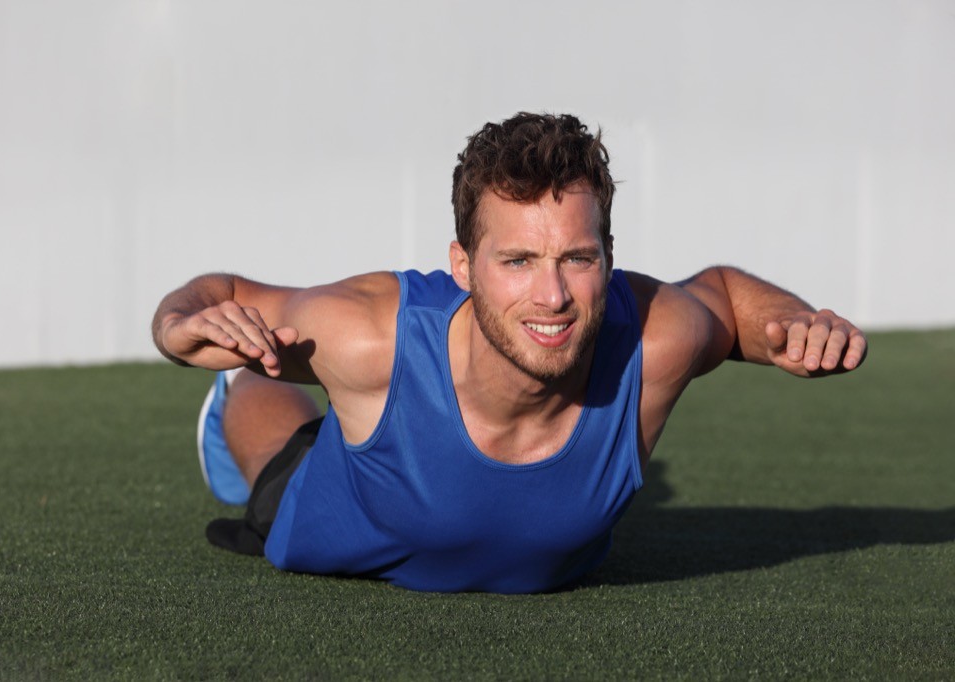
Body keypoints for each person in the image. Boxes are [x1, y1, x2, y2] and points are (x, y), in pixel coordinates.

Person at [152, 112, 867, 594]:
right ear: (463, 266)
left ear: (609, 256)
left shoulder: (654, 338)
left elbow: (725, 295)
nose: (552, 296)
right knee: (270, 417)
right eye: (518, 260)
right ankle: (232, 403)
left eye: (577, 258)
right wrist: (179, 330)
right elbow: (221, 291)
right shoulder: (370, 335)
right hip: (345, 515)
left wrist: (795, 323)